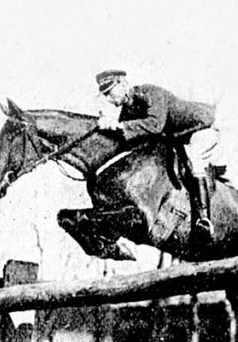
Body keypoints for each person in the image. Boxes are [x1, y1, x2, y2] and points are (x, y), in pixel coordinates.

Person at [95, 69, 222, 245]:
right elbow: (131, 140)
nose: (109, 99)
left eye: (110, 92)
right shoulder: (128, 108)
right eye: (105, 95)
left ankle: (203, 219)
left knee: (195, 160)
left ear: (123, 84)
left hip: (201, 128)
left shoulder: (150, 94)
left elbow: (154, 126)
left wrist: (117, 125)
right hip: (178, 137)